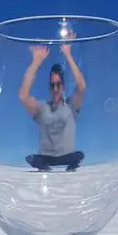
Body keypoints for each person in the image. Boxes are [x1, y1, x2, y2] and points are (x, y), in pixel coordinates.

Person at [18, 31, 86, 171]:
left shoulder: (71, 106)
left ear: (63, 87)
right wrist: (35, 63)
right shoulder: (42, 108)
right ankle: (45, 167)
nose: (55, 89)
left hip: (68, 157)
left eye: (58, 84)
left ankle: (69, 167)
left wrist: (68, 55)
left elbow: (81, 87)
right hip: (45, 159)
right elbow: (23, 96)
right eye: (52, 85)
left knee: (79, 155)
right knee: (32, 158)